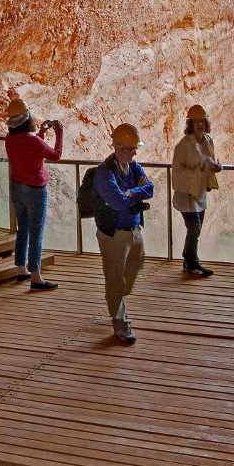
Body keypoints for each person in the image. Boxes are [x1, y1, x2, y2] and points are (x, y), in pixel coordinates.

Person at [90, 122, 155, 344]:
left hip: (134, 229)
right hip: (114, 234)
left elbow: (151, 189)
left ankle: (115, 298)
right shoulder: (104, 172)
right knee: (116, 279)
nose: (135, 152)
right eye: (132, 148)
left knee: (135, 266)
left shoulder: (133, 166)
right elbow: (118, 201)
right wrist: (137, 192)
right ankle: (121, 326)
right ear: (119, 149)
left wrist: (133, 191)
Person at [3, 96, 63, 291]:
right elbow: (55, 155)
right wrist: (59, 133)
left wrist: (41, 133)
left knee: (24, 229)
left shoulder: (9, 138)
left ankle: (22, 269)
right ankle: (36, 276)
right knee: (36, 233)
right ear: (27, 118)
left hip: (16, 186)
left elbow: (29, 149)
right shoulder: (33, 141)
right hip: (35, 190)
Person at [170, 104, 222, 278]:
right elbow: (176, 171)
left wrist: (217, 167)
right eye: (196, 121)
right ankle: (193, 262)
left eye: (202, 120)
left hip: (200, 192)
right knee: (195, 228)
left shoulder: (208, 141)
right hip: (186, 193)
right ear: (190, 124)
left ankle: (188, 260)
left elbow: (209, 162)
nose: (200, 124)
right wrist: (196, 171)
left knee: (196, 230)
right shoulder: (184, 145)